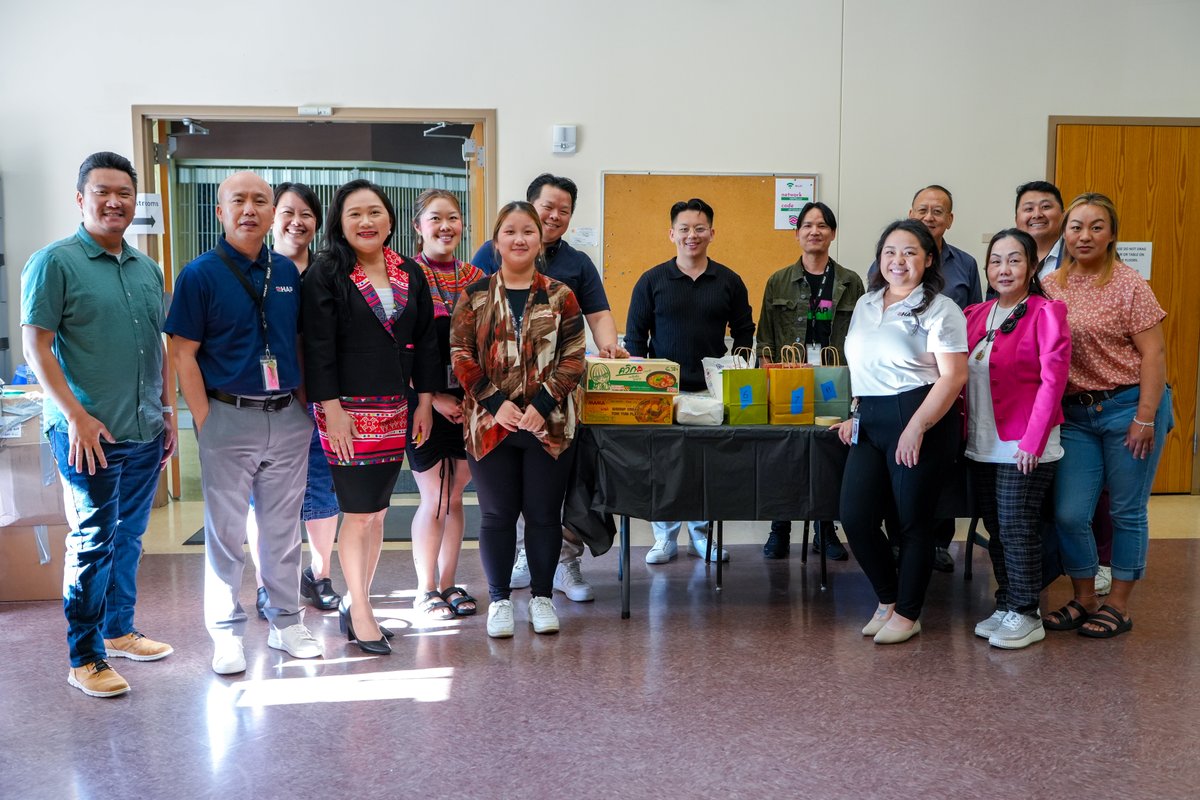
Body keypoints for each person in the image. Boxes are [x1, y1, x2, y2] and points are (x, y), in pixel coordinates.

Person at [20, 151, 176, 697]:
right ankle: (84, 658)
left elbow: (159, 346)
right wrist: (76, 416)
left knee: (128, 536)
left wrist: (167, 411)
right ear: (80, 199)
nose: (114, 202)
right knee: (92, 541)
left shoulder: (147, 268)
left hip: (144, 428)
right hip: (88, 433)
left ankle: (119, 630)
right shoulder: (54, 262)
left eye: (124, 193)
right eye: (102, 192)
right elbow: (36, 346)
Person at [168, 171, 324, 674]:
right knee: (226, 533)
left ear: (273, 213)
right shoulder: (200, 274)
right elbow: (182, 352)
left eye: (261, 201)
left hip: (286, 416)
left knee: (282, 531)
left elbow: (297, 342)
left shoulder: (288, 272)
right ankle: (226, 633)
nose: (250, 209)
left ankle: (286, 623)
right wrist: (206, 420)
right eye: (239, 201)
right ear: (221, 211)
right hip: (227, 417)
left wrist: (304, 410)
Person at [473, 173, 626, 603]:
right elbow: (467, 330)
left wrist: (609, 345)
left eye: (564, 210)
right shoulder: (491, 253)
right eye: (547, 207)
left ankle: (564, 560)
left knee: (558, 490)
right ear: (528, 205)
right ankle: (526, 557)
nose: (555, 216)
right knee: (506, 499)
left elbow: (598, 315)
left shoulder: (576, 265)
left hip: (556, 401)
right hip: (498, 404)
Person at [303, 179, 440, 653]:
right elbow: (317, 346)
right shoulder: (326, 272)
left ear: (390, 219)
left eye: (375, 212)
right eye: (355, 214)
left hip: (395, 409)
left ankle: (357, 600)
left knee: (378, 513)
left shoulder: (408, 270)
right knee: (358, 514)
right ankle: (359, 608)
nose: (366, 221)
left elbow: (426, 341)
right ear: (339, 223)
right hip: (346, 411)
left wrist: (424, 402)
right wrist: (331, 408)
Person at [450, 201, 586, 638]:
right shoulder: (474, 296)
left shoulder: (561, 295)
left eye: (528, 231)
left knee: (544, 516)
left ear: (539, 240)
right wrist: (496, 404)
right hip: (490, 426)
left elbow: (574, 357)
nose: (519, 239)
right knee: (497, 516)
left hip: (549, 425)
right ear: (496, 240)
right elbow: (460, 355)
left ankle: (542, 599)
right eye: (510, 231)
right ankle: (500, 601)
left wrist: (539, 406)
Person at [1042, 193, 1171, 640]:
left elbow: (1154, 354)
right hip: (1077, 415)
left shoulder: (1130, 284)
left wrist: (1146, 417)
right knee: (1070, 513)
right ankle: (1084, 598)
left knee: (1126, 511)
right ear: (1065, 233)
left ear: (1112, 234)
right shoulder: (1050, 285)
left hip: (1128, 407)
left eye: (1096, 227)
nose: (1085, 235)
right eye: (1076, 227)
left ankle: (1118, 605)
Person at [836, 219, 968, 645]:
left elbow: (953, 376)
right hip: (871, 417)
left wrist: (917, 426)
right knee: (855, 517)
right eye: (890, 251)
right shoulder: (866, 303)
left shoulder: (941, 309)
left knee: (911, 522)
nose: (899, 260)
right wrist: (855, 412)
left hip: (921, 414)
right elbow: (864, 366)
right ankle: (888, 598)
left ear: (928, 260)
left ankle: (908, 613)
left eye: (910, 252)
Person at [625, 198, 755, 564]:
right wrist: (640, 387)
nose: (691, 235)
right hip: (662, 392)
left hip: (711, 391)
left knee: (705, 468)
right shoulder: (651, 280)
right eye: (684, 229)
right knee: (664, 468)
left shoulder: (729, 280)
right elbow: (634, 339)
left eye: (699, 228)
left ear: (712, 233)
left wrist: (735, 370)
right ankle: (664, 538)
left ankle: (703, 537)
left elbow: (744, 331)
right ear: (672, 234)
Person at [964, 229, 1070, 649]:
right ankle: (1007, 603)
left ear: (1031, 266)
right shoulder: (975, 314)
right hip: (982, 441)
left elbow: (1053, 380)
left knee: (1017, 525)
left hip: (1024, 443)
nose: (1003, 269)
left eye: (1014, 260)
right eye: (995, 261)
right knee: (996, 526)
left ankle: (1027, 613)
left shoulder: (1047, 312)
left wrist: (1033, 440)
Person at [869, 184, 980, 573]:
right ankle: (900, 545)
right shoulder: (885, 269)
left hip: (944, 381)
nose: (929, 216)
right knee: (896, 480)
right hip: (893, 387)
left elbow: (975, 317)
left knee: (936, 476)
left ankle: (938, 543)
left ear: (950, 219)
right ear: (911, 212)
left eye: (938, 211)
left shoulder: (965, 265)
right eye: (922, 209)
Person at [1014, 180, 1115, 595]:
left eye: (1046, 206)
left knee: (1093, 488)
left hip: (1088, 394)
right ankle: (1052, 563)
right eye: (1027, 207)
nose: (1036, 214)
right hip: (1034, 394)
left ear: (1062, 217)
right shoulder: (1015, 256)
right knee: (1052, 488)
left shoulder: (1080, 259)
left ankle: (1101, 562)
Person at [247, 182, 342, 619]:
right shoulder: (257, 270)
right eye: (287, 212)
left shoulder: (329, 272)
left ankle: (319, 576)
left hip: (323, 401)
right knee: (266, 498)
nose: (296, 221)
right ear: (272, 218)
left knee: (323, 490)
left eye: (306, 214)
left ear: (317, 223)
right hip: (270, 402)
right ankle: (267, 583)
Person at [756, 201, 864, 561]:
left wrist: (858, 388)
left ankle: (825, 529)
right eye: (807, 225)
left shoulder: (850, 282)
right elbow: (765, 339)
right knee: (786, 454)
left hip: (835, 380)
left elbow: (861, 337)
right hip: (790, 380)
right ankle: (780, 527)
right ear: (797, 233)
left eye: (822, 225)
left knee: (829, 456)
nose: (814, 231)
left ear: (832, 233)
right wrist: (770, 384)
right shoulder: (778, 280)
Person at [406, 189, 485, 620]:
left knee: (455, 497)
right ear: (418, 226)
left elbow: (488, 346)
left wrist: (473, 398)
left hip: (469, 403)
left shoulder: (477, 277)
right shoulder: (404, 276)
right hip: (422, 402)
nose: (445, 226)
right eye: (435, 218)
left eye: (452, 218)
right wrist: (433, 397)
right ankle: (425, 589)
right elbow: (397, 348)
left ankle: (450, 582)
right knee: (434, 496)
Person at [1014, 180, 1066, 278]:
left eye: (1045, 207)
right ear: (1016, 219)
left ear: (1063, 215)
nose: (1037, 215)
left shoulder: (1078, 256)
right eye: (1029, 209)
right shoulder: (1005, 259)